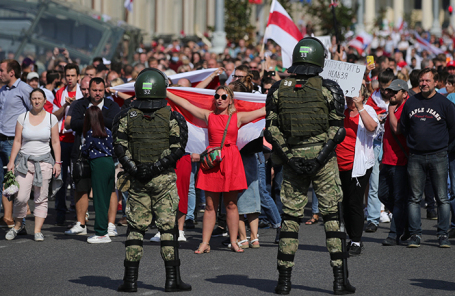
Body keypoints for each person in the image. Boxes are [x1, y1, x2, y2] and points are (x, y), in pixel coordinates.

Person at [265, 37, 355, 294]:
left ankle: (283, 282)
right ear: (320, 59)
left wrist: (291, 158)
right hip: (323, 162)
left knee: (290, 219)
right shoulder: (331, 88)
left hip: (292, 159)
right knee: (332, 219)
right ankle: (339, 281)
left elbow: (271, 131)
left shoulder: (278, 89)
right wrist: (318, 158)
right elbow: (337, 131)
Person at [113, 68, 191, 292]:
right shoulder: (172, 116)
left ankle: (130, 281)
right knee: (168, 229)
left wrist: (136, 168)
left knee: (135, 230)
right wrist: (156, 167)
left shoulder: (126, 115)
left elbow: (119, 146)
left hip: (137, 180)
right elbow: (178, 148)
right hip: (163, 179)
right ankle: (172, 279)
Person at [166, 85, 265, 254]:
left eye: (224, 97)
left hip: (231, 160)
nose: (219, 99)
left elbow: (263, 110)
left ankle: (234, 241)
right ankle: (205, 243)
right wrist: (166, 92)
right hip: (212, 161)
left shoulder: (238, 117)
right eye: (217, 96)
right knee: (210, 206)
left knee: (232, 204)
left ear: (230, 100)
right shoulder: (208, 115)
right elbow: (186, 105)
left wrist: (281, 97)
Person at [400, 68, 455, 248]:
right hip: (415, 156)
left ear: (436, 83)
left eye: (427, 81)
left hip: (438, 155)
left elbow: (453, 129)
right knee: (415, 198)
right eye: (422, 80)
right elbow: (404, 126)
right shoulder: (410, 102)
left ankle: (443, 235)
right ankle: (415, 235)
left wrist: (445, 147)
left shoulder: (445, 104)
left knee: (442, 198)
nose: (424, 83)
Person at [66, 78, 120, 236]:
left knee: (109, 189)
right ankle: (81, 224)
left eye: (100, 90)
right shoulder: (79, 104)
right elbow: (72, 124)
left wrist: (94, 118)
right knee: (81, 188)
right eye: (94, 90)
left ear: (105, 90)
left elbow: (116, 122)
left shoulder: (111, 105)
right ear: (88, 90)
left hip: (106, 155)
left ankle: (110, 225)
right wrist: (93, 119)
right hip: (82, 154)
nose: (97, 93)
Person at [5, 89, 61, 241]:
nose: (36, 101)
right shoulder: (22, 117)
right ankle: (18, 226)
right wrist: (11, 161)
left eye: (39, 98)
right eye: (34, 98)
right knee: (21, 197)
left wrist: (57, 162)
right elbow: (17, 141)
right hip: (24, 162)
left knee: (41, 198)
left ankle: (37, 230)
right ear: (30, 100)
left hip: (45, 163)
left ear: (44, 101)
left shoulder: (51, 119)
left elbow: (55, 142)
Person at [336, 85, 379, 256]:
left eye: (354, 95)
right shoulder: (341, 112)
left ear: (361, 95)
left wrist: (360, 106)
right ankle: (348, 236)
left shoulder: (367, 109)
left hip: (359, 166)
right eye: (347, 95)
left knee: (354, 203)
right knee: (344, 203)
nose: (350, 99)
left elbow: (372, 128)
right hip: (339, 165)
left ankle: (356, 241)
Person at [0, 59, 33, 228]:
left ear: (11, 72)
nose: (0, 74)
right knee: (3, 182)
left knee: (17, 182)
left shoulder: (24, 89)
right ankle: (7, 217)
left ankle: (21, 223)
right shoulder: (3, 90)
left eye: (2, 70)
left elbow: (34, 112)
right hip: (0, 139)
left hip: (14, 141)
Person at [379, 79, 410, 246]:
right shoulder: (393, 107)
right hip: (387, 159)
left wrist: (390, 110)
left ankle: (394, 234)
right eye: (389, 91)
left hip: (400, 161)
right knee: (382, 195)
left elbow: (397, 129)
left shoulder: (406, 108)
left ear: (404, 94)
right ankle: (404, 221)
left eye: (395, 92)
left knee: (398, 199)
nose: (390, 94)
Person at [52, 63, 83, 226]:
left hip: (77, 138)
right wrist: (65, 105)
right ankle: (60, 211)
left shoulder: (83, 92)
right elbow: (54, 117)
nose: (70, 79)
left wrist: (76, 104)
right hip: (62, 140)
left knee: (78, 176)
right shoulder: (59, 93)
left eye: (72, 76)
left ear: (78, 76)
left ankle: (79, 212)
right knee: (61, 176)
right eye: (67, 76)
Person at [81, 106, 115, 243]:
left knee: (99, 199)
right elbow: (113, 148)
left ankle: (101, 232)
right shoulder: (108, 131)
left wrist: (82, 149)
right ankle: (105, 230)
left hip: (98, 163)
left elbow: (85, 150)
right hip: (109, 162)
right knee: (106, 198)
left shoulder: (90, 133)